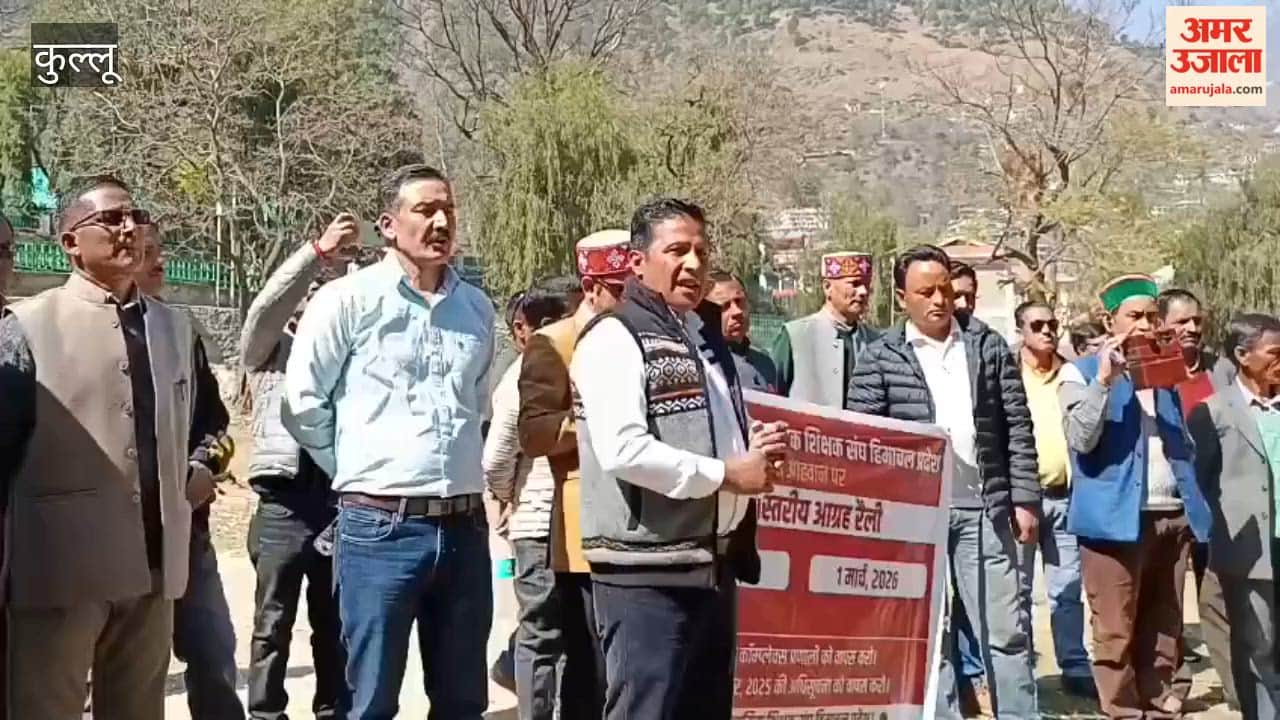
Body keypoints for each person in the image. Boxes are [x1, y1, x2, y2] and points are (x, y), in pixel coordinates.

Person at [285, 164, 496, 719]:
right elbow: (303, 403)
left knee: (462, 702)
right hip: (380, 529)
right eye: (425, 210)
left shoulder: (476, 309)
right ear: (388, 224)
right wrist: (354, 468)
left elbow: (478, 406)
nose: (440, 221)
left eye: (447, 209)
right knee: (371, 699)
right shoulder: (347, 301)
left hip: (464, 528)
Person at [0, 175, 211, 719]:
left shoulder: (174, 327)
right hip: (58, 573)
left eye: (133, 217)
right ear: (71, 243)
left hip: (155, 569)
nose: (128, 229)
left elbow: (202, 424)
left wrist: (201, 463)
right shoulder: (26, 326)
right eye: (110, 220)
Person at [571, 199, 783, 720]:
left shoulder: (701, 337)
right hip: (646, 574)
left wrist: (751, 446)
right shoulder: (615, 337)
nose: (693, 264)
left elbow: (701, 430)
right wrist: (728, 473)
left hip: (711, 563)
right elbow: (625, 450)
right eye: (677, 251)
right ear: (638, 262)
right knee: (646, 709)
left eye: (701, 252)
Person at [846, 244, 1041, 720]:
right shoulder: (879, 356)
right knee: (929, 634)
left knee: (1004, 629)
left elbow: (1017, 424)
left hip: (985, 509)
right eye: (925, 291)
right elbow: (863, 439)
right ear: (900, 297)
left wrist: (1025, 499)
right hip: (916, 519)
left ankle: (1019, 713)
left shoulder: (987, 345)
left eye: (945, 290)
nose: (939, 300)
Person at [1059, 273, 1212, 718]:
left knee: (1165, 622)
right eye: (1134, 317)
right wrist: (1105, 382)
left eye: (1150, 317)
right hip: (1113, 520)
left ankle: (1163, 700)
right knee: (1115, 627)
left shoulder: (1164, 372)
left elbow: (1180, 441)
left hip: (1170, 514)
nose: (1144, 326)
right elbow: (1080, 437)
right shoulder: (1079, 372)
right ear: (1110, 321)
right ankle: (1123, 710)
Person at [241, 214, 358, 720]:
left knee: (335, 625)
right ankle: (267, 713)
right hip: (283, 505)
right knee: (272, 622)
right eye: (311, 302)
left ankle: (334, 710)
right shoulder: (271, 355)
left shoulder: (353, 362)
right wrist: (317, 255)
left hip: (342, 503)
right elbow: (266, 307)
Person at [517, 231, 631, 720]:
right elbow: (536, 434)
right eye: (622, 289)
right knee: (590, 670)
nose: (634, 301)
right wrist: (594, 422)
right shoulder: (555, 342)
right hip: (584, 533)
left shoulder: (648, 336)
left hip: (650, 527)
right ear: (592, 286)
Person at [135, 222, 245, 720]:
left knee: (214, 651)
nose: (158, 260)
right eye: (145, 251)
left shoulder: (182, 335)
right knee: (131, 674)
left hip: (187, 533)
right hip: (117, 539)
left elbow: (218, 429)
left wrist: (204, 467)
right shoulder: (67, 336)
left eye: (161, 249)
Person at [485, 279, 582, 719]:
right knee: (542, 632)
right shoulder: (523, 375)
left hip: (579, 522)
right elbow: (497, 456)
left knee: (576, 634)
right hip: (539, 523)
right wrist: (510, 499)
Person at [1188, 313, 1280, 720]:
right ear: (1243, 356)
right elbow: (1202, 481)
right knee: (1259, 647)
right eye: (1274, 353)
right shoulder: (1212, 413)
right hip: (1249, 550)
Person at [1014, 300, 1096, 700]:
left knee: (1067, 588)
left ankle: (1075, 666)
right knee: (1018, 590)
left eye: (1052, 324)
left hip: (1066, 497)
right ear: (1021, 331)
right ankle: (1021, 668)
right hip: (1022, 500)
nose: (1047, 331)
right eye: (1037, 325)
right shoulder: (1007, 375)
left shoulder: (1071, 373)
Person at [771, 250, 878, 406]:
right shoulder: (795, 336)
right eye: (855, 284)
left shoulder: (875, 342)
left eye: (866, 285)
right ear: (828, 287)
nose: (863, 292)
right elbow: (772, 397)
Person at [706, 270, 778, 393]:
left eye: (739, 301)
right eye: (725, 306)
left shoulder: (765, 364)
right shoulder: (704, 366)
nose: (737, 312)